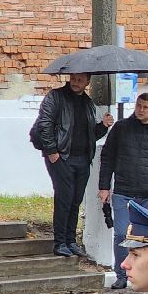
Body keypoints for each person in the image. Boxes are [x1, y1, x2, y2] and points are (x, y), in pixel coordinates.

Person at [98, 93, 148, 289]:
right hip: (124, 191)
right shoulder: (121, 128)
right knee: (121, 234)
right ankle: (121, 275)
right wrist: (104, 186)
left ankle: (146, 274)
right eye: (139, 106)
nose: (141, 110)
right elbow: (107, 157)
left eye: (146, 107)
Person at [33, 72, 113, 258]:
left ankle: (70, 240)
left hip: (82, 158)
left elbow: (91, 134)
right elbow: (44, 124)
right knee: (64, 199)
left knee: (76, 200)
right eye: (73, 78)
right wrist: (52, 152)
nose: (75, 82)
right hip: (62, 157)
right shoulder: (56, 97)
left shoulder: (87, 102)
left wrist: (103, 125)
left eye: (80, 80)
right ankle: (59, 242)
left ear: (87, 82)